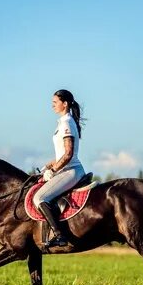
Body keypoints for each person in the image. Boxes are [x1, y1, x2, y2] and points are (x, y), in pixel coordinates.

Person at [33, 89, 86, 247]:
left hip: (70, 171)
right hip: (65, 169)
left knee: (39, 198)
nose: (52, 106)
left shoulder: (66, 123)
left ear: (65, 104)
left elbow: (68, 154)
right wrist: (49, 165)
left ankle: (59, 235)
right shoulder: (64, 122)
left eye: (55, 103)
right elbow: (62, 154)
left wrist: (54, 170)